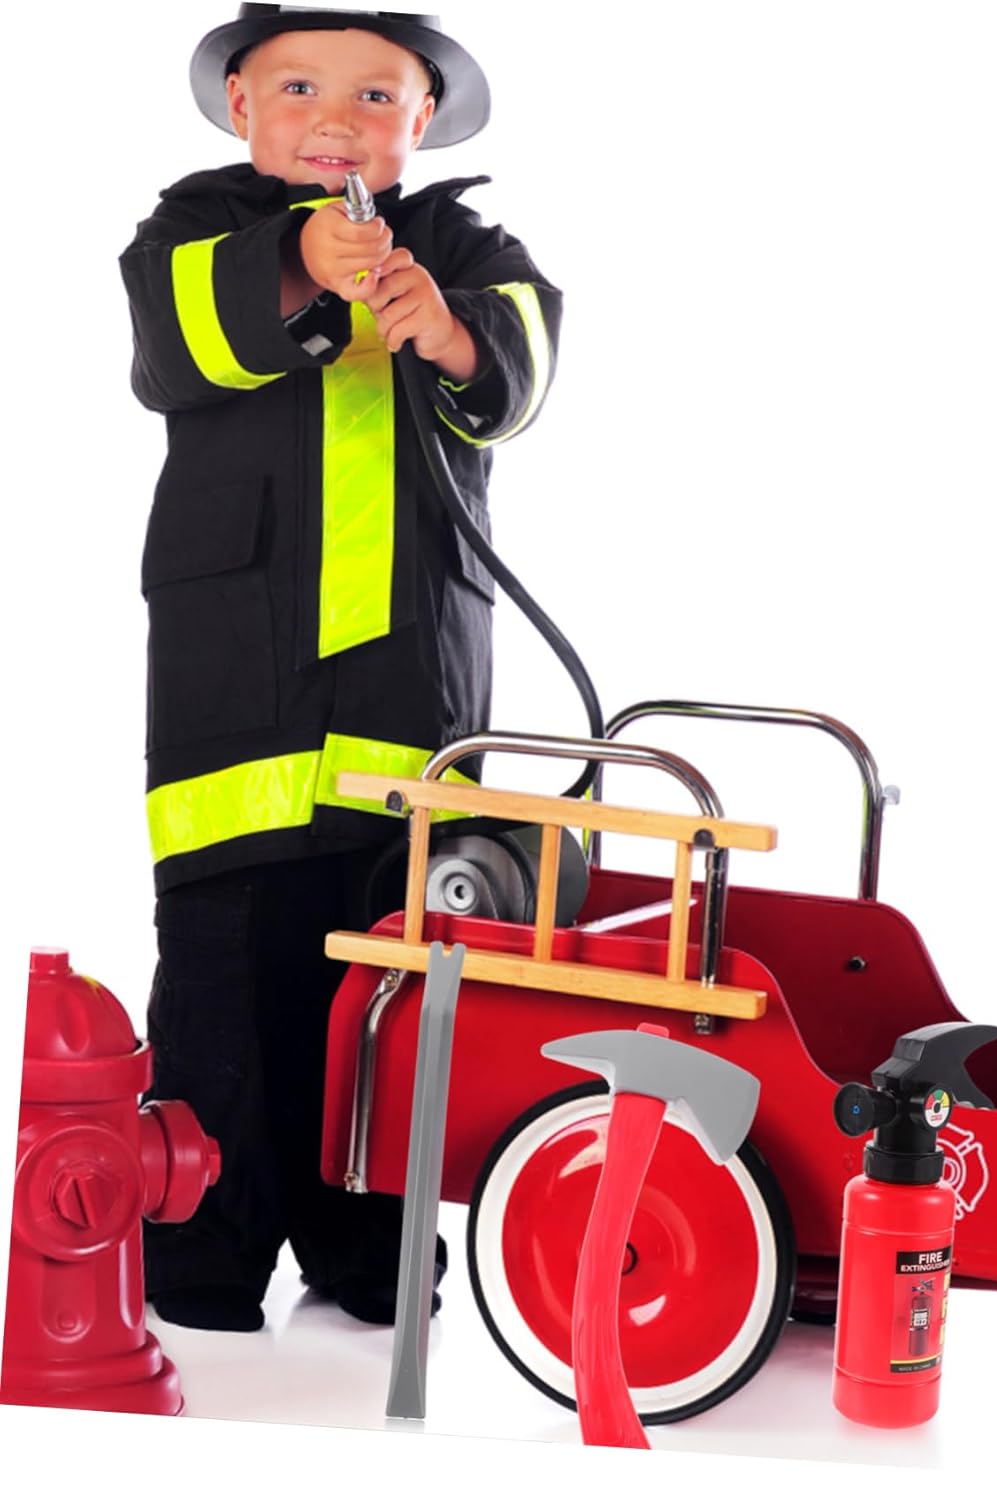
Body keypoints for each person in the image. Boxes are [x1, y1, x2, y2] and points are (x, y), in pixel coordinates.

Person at [119, 3, 561, 1332]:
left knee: (393, 979)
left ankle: (371, 1254)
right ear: (240, 107)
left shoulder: (464, 247)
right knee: (222, 974)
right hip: (237, 683)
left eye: (376, 95)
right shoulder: (197, 229)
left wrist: (450, 330)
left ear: (422, 120)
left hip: (408, 686)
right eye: (300, 86)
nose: (336, 118)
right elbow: (175, 346)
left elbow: (524, 368)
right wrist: (297, 261)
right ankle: (199, 1257)